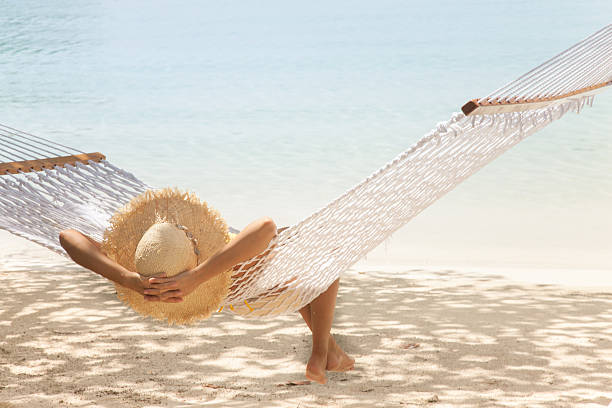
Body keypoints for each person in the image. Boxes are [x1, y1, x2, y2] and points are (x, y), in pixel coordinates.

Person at [58, 216, 354, 384]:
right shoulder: (205, 262)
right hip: (232, 277)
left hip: (237, 289)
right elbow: (266, 227)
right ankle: (319, 352)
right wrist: (197, 276)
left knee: (300, 273)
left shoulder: (142, 265)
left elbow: (67, 236)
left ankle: (332, 352)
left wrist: (127, 278)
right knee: (325, 255)